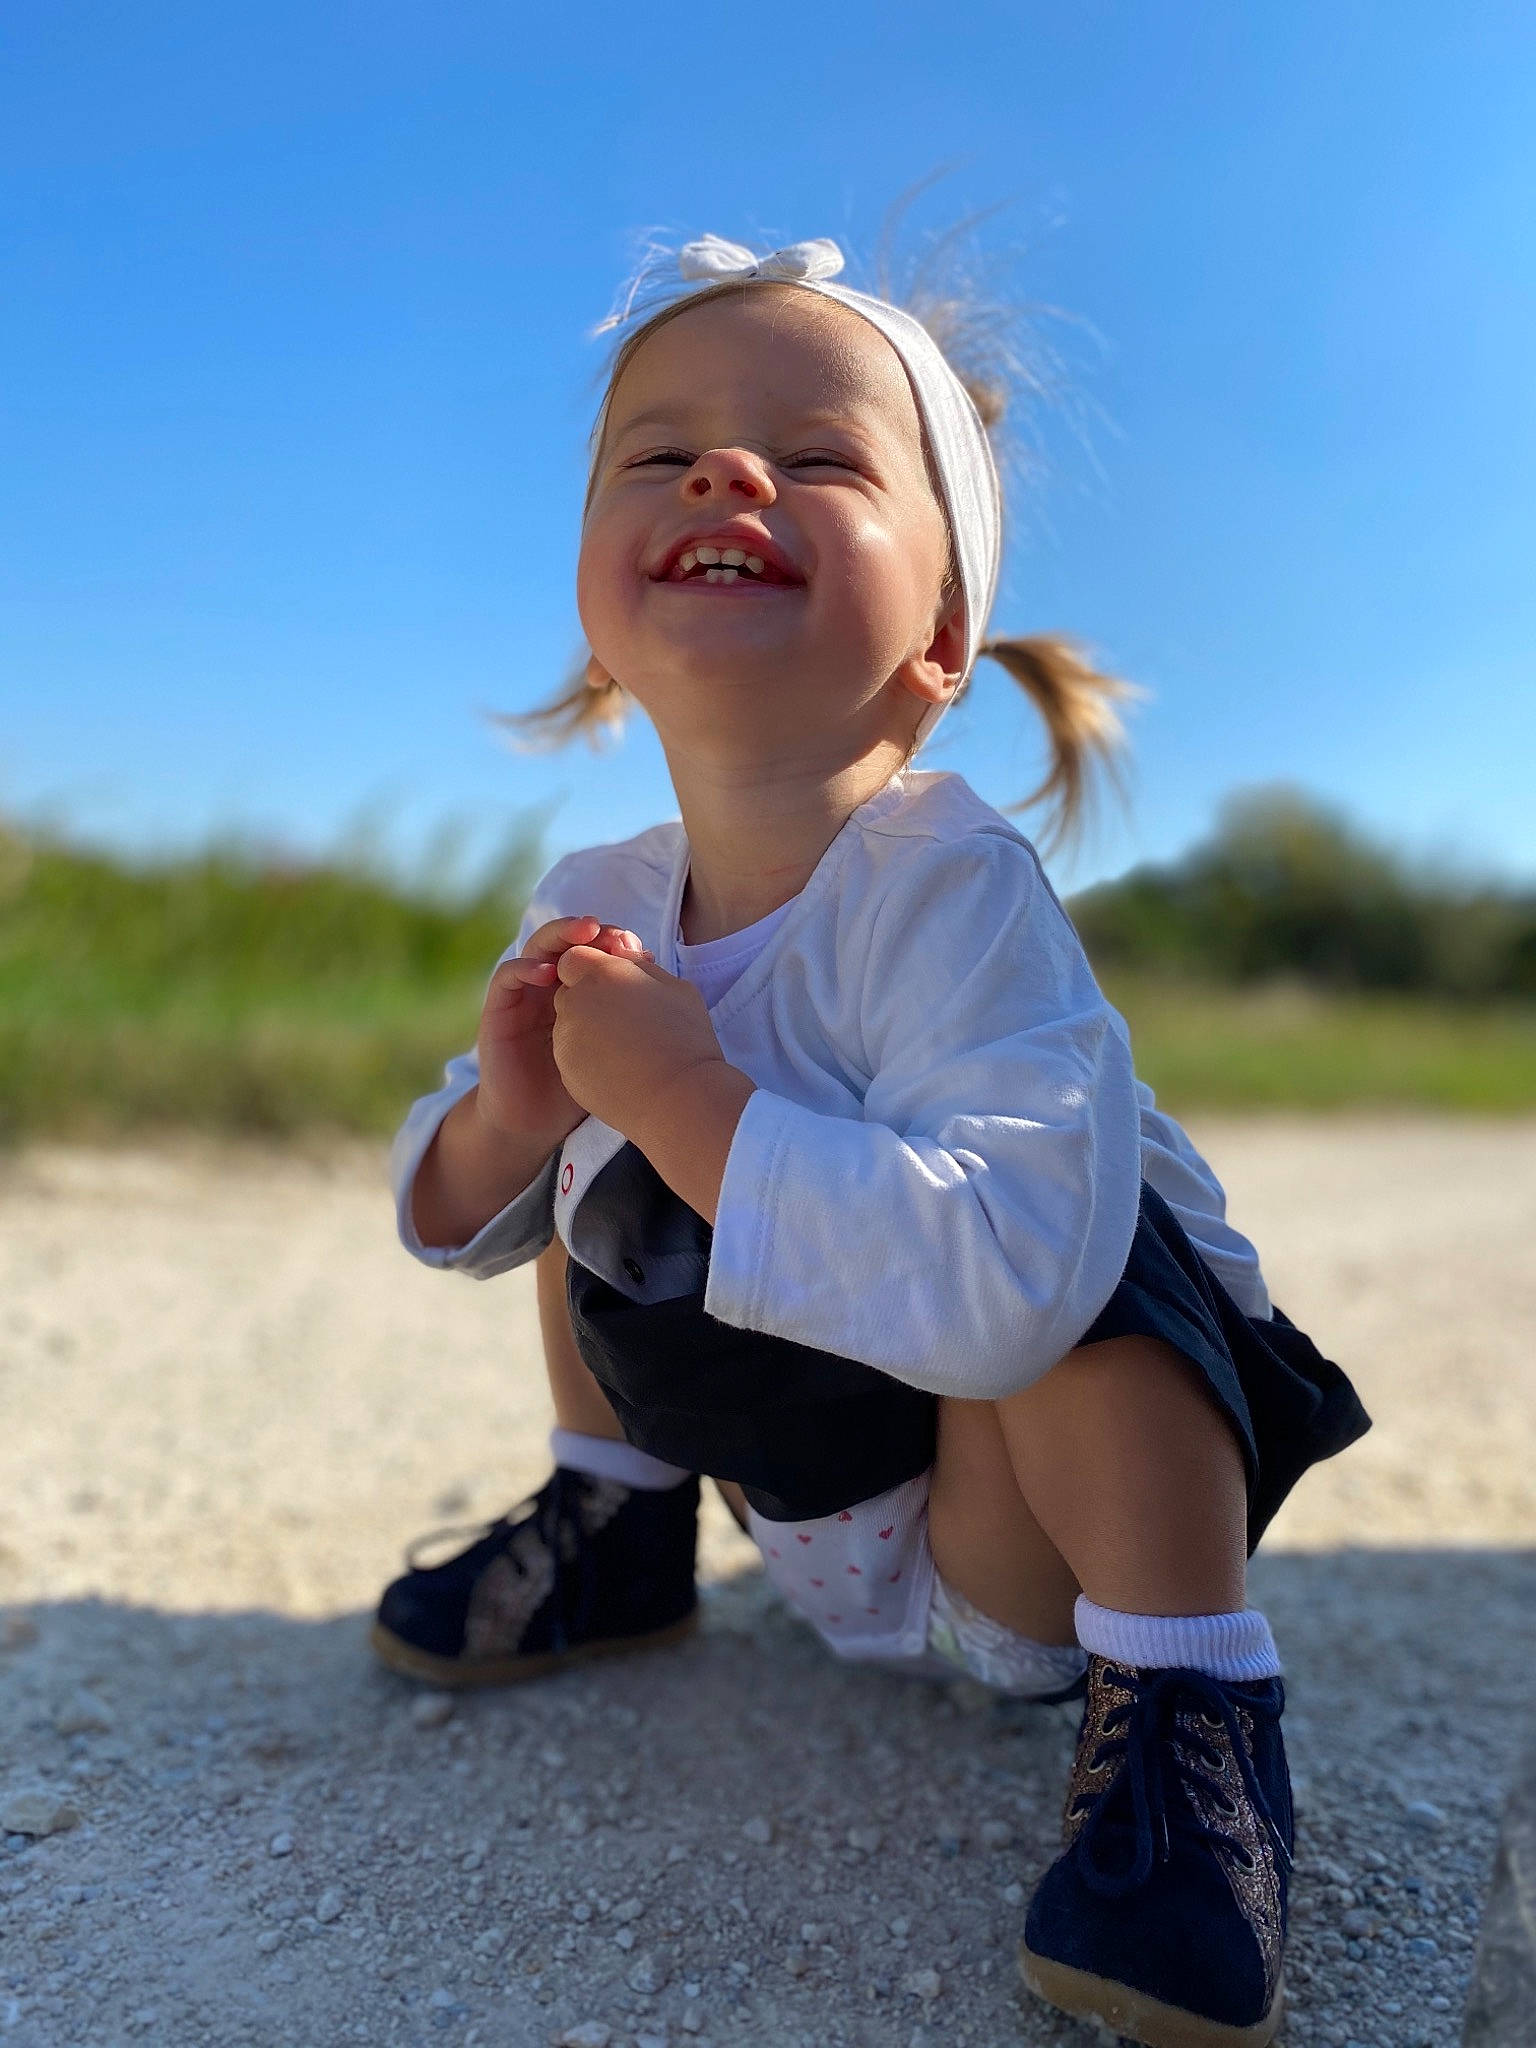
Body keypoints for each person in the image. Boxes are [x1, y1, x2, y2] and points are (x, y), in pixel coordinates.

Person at [373, 233, 1369, 2048]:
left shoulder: (953, 886)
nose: (724, 474)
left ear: (942, 639)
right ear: (599, 602)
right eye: (659, 454)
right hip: (790, 1493)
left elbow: (1002, 1294)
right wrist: (523, 1110)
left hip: (1026, 1546)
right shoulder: (603, 896)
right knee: (575, 1141)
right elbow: (448, 1213)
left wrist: (687, 1096)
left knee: (1088, 1249)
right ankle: (616, 1528)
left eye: (817, 459)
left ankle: (1192, 1719)